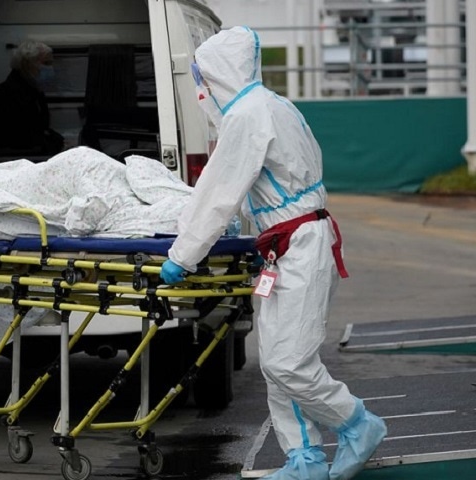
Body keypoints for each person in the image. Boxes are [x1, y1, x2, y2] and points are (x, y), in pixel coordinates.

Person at [158, 27, 387, 480]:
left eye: (203, 79)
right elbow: (259, 187)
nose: (202, 90)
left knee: (289, 362)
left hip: (298, 245)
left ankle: (357, 423)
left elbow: (217, 193)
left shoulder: (246, 116)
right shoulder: (276, 105)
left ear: (218, 74)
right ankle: (302, 459)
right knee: (277, 360)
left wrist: (183, 254)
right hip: (287, 245)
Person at [0, 40, 64, 154]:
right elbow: (18, 139)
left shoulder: (35, 92)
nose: (50, 69)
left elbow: (41, 129)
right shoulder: (3, 96)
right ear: (28, 64)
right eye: (46, 63)